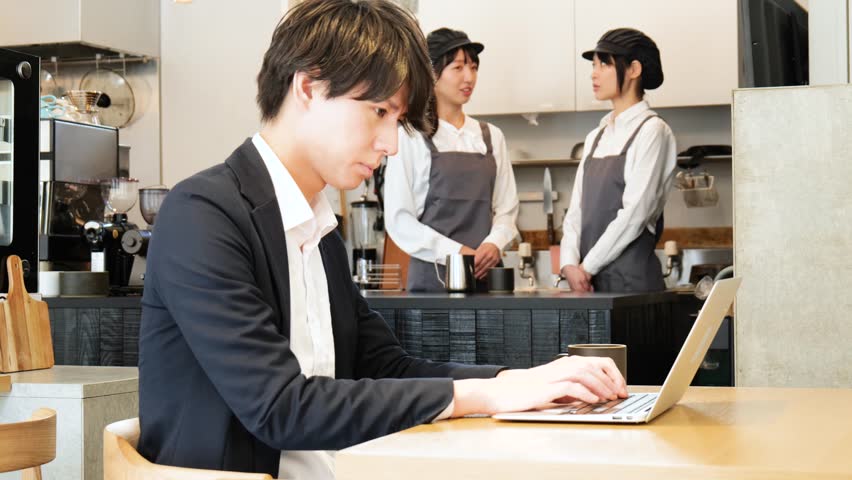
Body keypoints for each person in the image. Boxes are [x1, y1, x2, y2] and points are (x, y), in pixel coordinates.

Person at [137, 1, 626, 478]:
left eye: (397, 121)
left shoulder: (317, 229)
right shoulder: (204, 215)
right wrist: (484, 397)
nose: (391, 144)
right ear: (309, 86)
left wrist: (514, 381)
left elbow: (383, 364)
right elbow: (280, 407)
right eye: (379, 112)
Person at [384, 28, 519, 292]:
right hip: (432, 281)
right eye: (458, 68)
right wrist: (458, 252)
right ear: (431, 74)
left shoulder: (492, 136)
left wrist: (494, 243)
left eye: (473, 68)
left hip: (487, 277)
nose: (469, 77)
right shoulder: (410, 137)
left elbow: (507, 209)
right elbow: (400, 220)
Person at [560, 28, 677, 293]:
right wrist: (568, 263)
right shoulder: (595, 137)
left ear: (634, 69)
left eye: (604, 64)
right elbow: (575, 211)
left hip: (631, 286)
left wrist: (586, 268)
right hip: (589, 285)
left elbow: (635, 214)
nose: (594, 73)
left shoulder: (653, 131)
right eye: (594, 65)